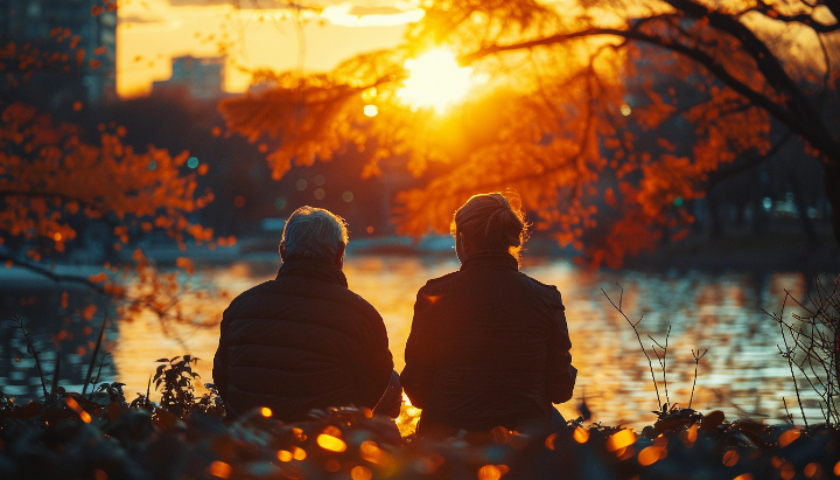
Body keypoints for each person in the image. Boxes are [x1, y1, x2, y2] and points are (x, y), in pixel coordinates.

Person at [401, 193, 576, 437]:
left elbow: (416, 391)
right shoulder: (546, 298)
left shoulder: (434, 296)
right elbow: (561, 390)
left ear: (463, 240)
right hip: (523, 447)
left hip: (449, 442)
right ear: (510, 238)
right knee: (556, 423)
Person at [213, 206, 400, 420]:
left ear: (283, 251)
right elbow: (370, 392)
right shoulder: (363, 315)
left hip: (250, 438)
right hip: (325, 440)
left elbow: (223, 380)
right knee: (391, 380)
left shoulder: (239, 308)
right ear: (340, 253)